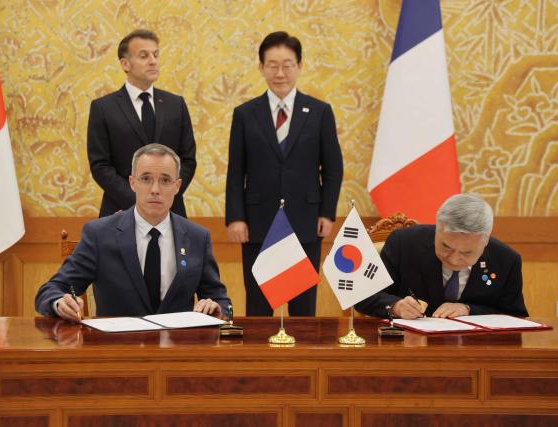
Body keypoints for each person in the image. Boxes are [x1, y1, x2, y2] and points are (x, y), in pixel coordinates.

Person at [36, 144, 229, 322]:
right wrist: (60, 303)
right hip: (117, 350)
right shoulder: (100, 234)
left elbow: (221, 301)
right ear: (132, 183)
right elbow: (51, 291)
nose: (155, 189)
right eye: (146, 179)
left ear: (177, 186)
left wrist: (217, 308)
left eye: (165, 180)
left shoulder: (197, 237)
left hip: (176, 351)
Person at [225, 31, 343, 316]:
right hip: (257, 223)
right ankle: (258, 360)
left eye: (287, 64)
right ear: (261, 67)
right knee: (259, 304)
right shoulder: (245, 114)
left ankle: (302, 361)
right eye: (273, 64)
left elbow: (333, 168)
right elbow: (235, 170)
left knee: (303, 306)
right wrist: (236, 218)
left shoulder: (319, 112)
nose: (280, 72)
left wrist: (326, 213)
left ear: (299, 66)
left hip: (305, 222)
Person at [355, 193, 529, 319]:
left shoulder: (506, 260)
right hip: (409, 349)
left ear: (485, 241)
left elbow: (515, 316)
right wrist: (395, 306)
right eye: (446, 246)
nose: (453, 259)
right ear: (437, 229)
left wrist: (469, 309)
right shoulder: (404, 243)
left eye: (466, 253)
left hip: (476, 354)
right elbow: (364, 296)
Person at [87, 29, 196, 218]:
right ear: (125, 64)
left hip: (170, 211)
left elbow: (187, 159)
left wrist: (166, 195)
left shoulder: (175, 104)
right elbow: (100, 165)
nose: (153, 61)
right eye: (144, 56)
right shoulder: (103, 108)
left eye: (156, 55)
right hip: (120, 211)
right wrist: (139, 200)